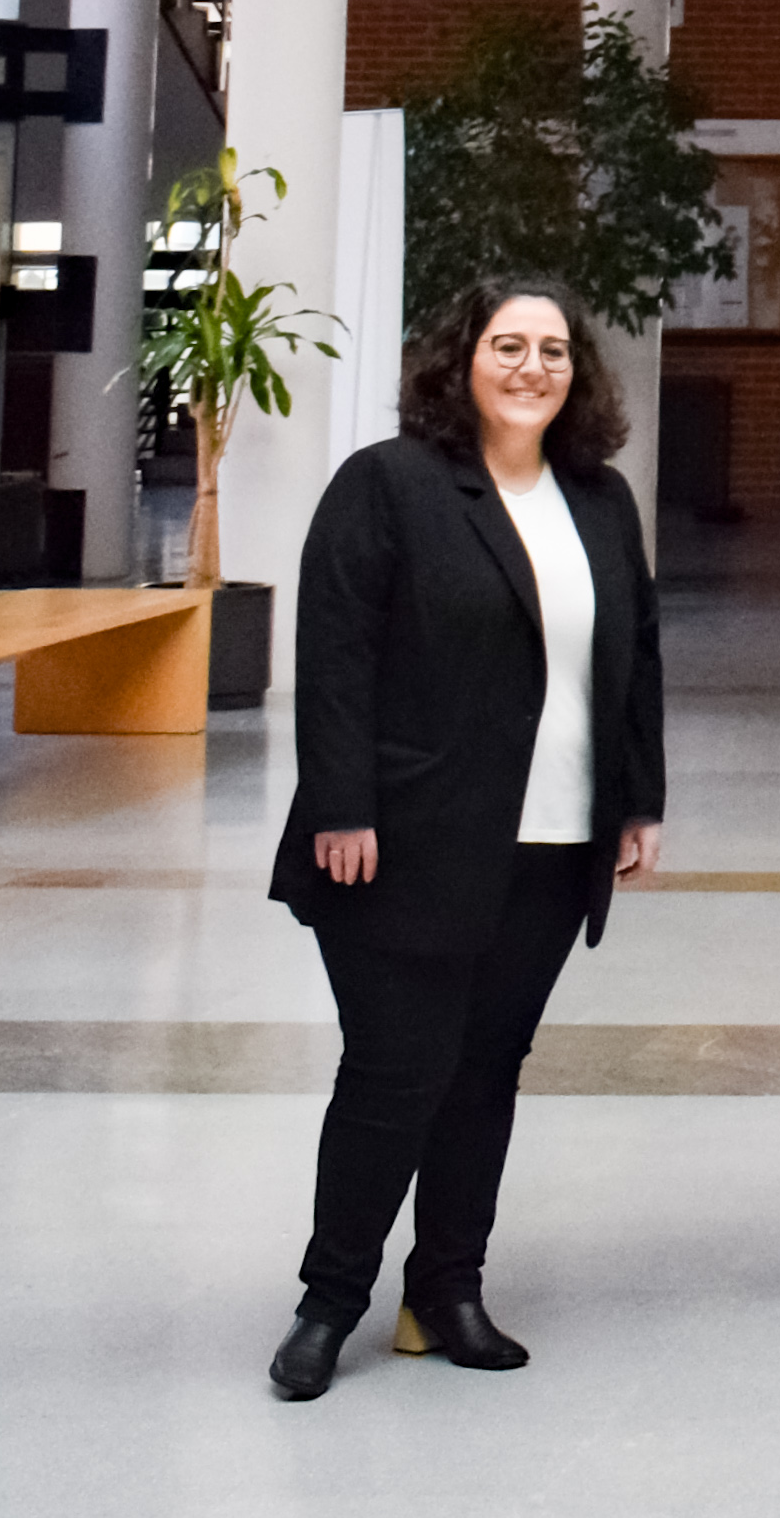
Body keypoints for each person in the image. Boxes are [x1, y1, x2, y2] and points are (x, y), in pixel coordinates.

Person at [265, 280, 666, 1401]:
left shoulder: (596, 500)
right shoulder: (388, 485)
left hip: (551, 839)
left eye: (552, 349)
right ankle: (328, 1300)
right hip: (403, 837)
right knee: (396, 1072)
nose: (531, 366)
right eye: (507, 345)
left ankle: (446, 1291)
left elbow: (633, 657)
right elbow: (335, 653)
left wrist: (637, 799)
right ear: (461, 360)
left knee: (486, 1071)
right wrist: (342, 805)